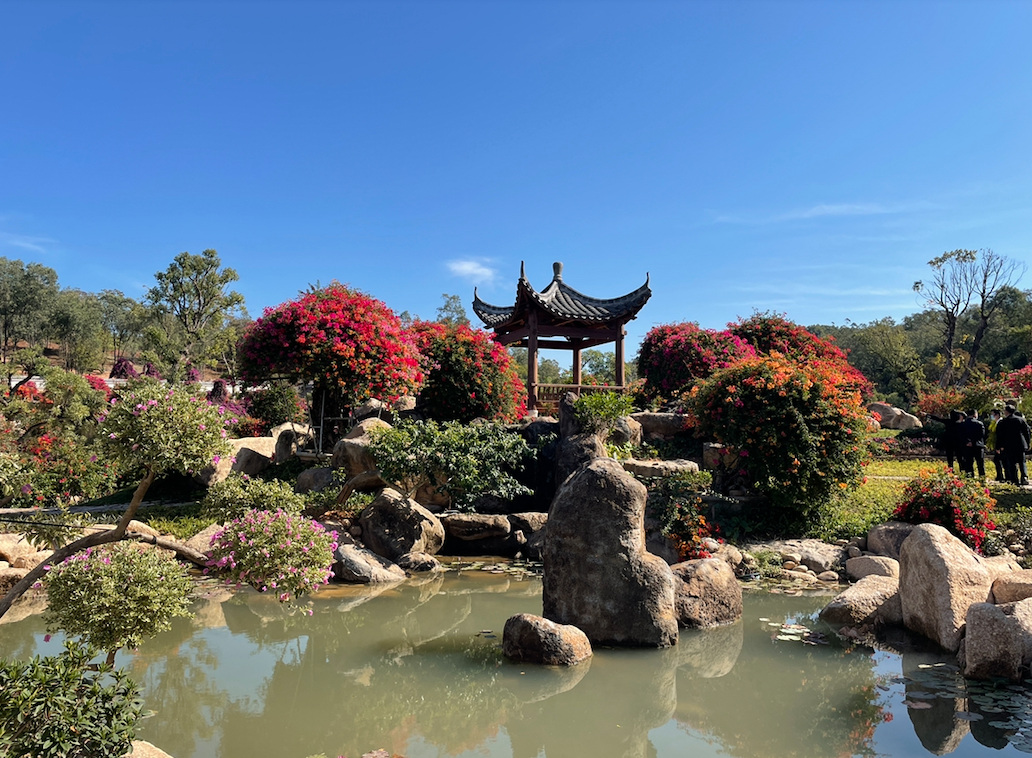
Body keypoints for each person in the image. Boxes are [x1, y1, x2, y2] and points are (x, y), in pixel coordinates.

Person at [996, 405, 1031, 486]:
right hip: (1020, 444)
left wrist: (998, 446)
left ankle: (1014, 479)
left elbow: (1000, 435)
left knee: (1012, 463)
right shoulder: (1021, 420)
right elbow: (1027, 432)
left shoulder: (1003, 422)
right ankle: (1024, 477)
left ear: (1006, 411)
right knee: (1022, 461)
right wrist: (1028, 443)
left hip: (1009, 445)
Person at [957, 409, 986, 478]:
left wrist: (967, 441)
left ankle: (970, 477)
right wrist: (973, 441)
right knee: (980, 463)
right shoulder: (979, 424)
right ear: (975, 414)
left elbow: (960, 435)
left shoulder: (962, 424)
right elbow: (982, 435)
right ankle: (982, 477)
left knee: (968, 462)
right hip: (978, 445)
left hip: (967, 446)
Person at [986, 408, 1004, 482]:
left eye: (992, 415)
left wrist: (999, 447)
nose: (992, 416)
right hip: (998, 445)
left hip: (1001, 446)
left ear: (997, 415)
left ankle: (1001, 476)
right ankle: (1000, 475)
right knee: (997, 461)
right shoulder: (995, 423)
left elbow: (1000, 436)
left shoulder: (1001, 422)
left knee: (1000, 461)